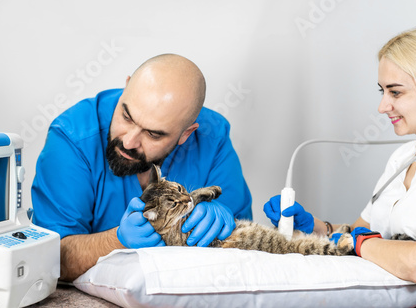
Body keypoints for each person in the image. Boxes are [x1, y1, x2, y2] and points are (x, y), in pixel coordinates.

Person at [264, 26, 416, 308]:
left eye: (396, 93)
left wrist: (358, 243)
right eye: (382, 91)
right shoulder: (402, 158)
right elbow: (359, 231)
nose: (382, 106)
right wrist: (314, 227)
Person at [32, 53, 252, 281]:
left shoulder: (212, 138)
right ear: (127, 86)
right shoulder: (71, 139)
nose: (128, 142)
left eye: (153, 134)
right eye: (126, 116)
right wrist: (116, 240)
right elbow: (49, 259)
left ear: (186, 134)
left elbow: (245, 246)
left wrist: (224, 219)